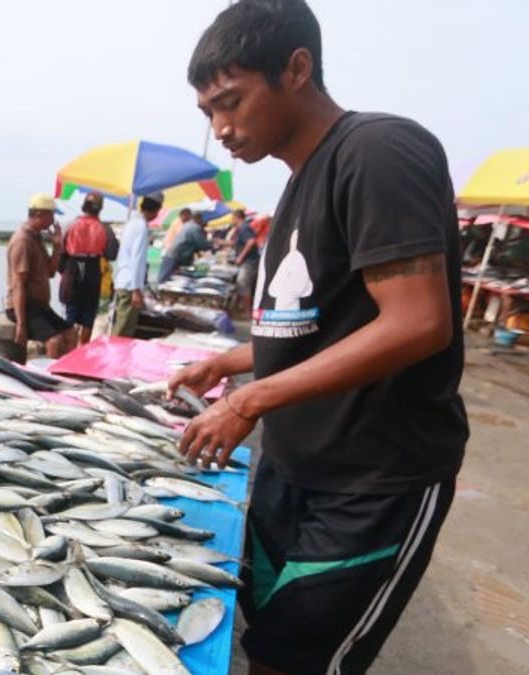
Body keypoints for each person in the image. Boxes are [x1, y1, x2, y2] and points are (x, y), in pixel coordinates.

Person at [172, 2, 467, 674]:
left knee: (299, 663)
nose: (220, 128)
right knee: (265, 645)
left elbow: (419, 320)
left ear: (297, 68)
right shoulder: (299, 187)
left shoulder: (379, 151)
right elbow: (309, 327)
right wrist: (227, 360)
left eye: (231, 101)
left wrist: (249, 400)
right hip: (293, 468)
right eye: (207, 112)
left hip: (373, 481)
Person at [5, 193, 76, 358]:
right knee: (54, 341)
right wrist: (21, 324)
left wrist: (57, 246)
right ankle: (48, 377)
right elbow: (18, 285)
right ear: (39, 214)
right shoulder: (22, 241)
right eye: (51, 215)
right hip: (24, 307)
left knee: (70, 333)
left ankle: (64, 374)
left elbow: (50, 272)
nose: (53, 220)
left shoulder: (37, 238)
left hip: (39, 306)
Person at [60, 192, 116, 345]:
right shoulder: (105, 229)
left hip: (72, 271)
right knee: (88, 319)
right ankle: (81, 348)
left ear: (83, 206)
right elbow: (112, 254)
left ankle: (68, 350)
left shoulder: (69, 225)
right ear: (100, 209)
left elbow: (61, 252)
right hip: (92, 272)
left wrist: (62, 271)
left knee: (69, 316)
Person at [111, 192, 164, 337]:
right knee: (124, 328)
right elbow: (137, 259)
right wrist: (136, 289)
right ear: (155, 210)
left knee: (122, 324)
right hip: (129, 284)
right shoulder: (140, 226)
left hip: (123, 280)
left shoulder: (132, 222)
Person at [157, 209, 213, 284]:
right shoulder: (194, 227)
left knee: (169, 279)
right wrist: (213, 244)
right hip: (174, 256)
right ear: (199, 219)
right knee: (165, 280)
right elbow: (201, 244)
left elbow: (195, 244)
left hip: (175, 256)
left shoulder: (188, 226)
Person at [227, 208, 260, 315]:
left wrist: (240, 257)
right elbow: (236, 243)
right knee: (242, 285)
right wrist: (222, 242)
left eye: (232, 218)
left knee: (244, 285)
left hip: (249, 261)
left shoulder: (244, 228)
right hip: (248, 261)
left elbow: (251, 242)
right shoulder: (242, 228)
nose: (231, 220)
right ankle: (242, 310)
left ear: (237, 217)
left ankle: (247, 313)